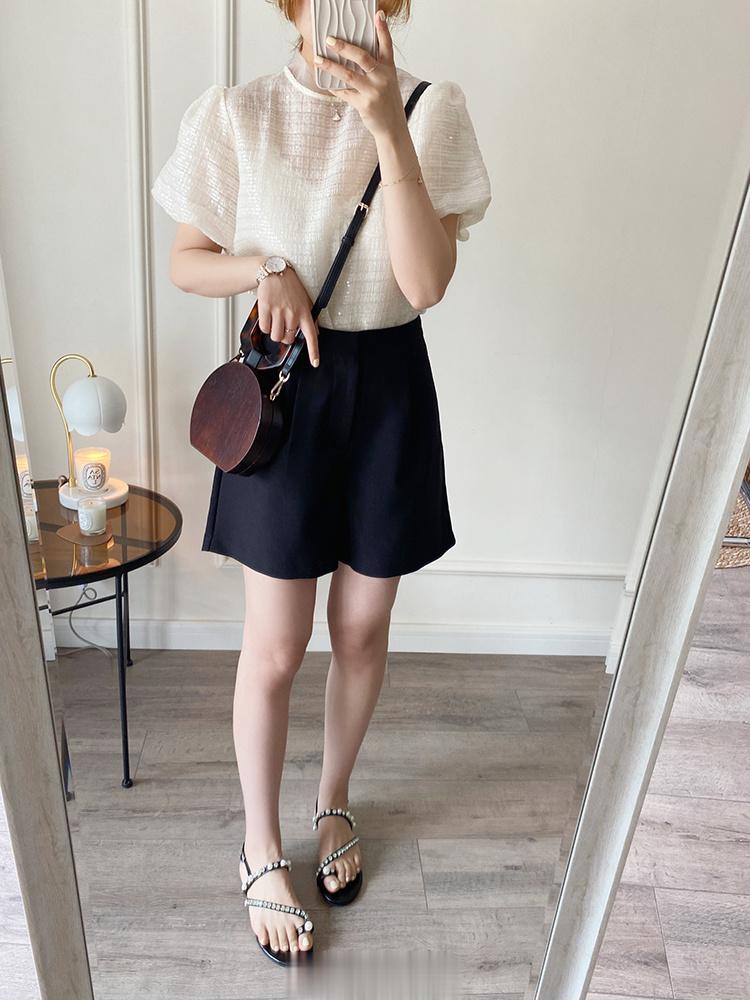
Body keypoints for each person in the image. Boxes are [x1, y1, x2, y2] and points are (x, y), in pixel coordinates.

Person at [151, 0, 491, 966]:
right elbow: (186, 262)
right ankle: (261, 846)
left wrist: (387, 127)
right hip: (286, 392)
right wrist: (266, 267)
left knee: (363, 627)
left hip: (388, 388)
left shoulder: (431, 109)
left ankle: (332, 798)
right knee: (275, 645)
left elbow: (425, 285)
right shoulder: (239, 112)